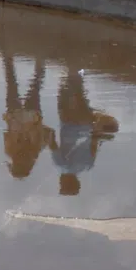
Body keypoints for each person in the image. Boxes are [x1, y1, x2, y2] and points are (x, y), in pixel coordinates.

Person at [52, 66, 120, 196]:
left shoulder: (87, 165)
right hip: (68, 120)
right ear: (64, 182)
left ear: (77, 181)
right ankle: (71, 63)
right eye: (61, 184)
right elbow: (50, 139)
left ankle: (78, 66)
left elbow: (95, 139)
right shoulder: (60, 166)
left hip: (85, 122)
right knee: (65, 89)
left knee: (79, 92)